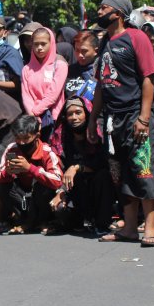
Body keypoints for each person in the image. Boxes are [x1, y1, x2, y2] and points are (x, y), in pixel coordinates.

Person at [87, 0, 154, 247]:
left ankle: (150, 227)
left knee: (143, 170)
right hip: (112, 119)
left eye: (104, 7)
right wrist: (92, 120)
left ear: (118, 13)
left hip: (135, 116)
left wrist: (143, 118)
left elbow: (148, 78)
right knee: (121, 175)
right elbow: (100, 85)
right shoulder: (106, 41)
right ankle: (129, 228)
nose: (99, 11)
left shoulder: (136, 37)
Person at [50, 97, 114, 236]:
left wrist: (77, 167)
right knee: (60, 208)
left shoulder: (98, 135)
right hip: (75, 189)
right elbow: (59, 168)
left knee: (103, 176)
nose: (74, 117)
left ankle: (102, 223)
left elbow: (102, 164)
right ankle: (78, 221)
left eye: (78, 112)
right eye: (70, 114)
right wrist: (61, 192)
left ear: (87, 113)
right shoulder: (62, 139)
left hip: (98, 188)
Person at [0, 114, 63, 234]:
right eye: (17, 138)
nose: (21, 142)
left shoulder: (47, 151)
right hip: (22, 194)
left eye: (26, 138)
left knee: (42, 186)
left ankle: (43, 221)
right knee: (3, 186)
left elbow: (58, 181)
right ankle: (23, 219)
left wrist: (30, 168)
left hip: (40, 196)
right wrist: (8, 172)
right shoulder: (12, 149)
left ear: (37, 136)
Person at [21, 27, 68, 142]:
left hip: (54, 118)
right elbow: (26, 95)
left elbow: (53, 94)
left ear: (51, 43)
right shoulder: (26, 69)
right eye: (36, 44)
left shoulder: (59, 64)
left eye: (43, 44)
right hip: (34, 120)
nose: (39, 48)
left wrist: (36, 111)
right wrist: (33, 116)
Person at [65, 30, 99, 99]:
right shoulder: (69, 71)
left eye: (84, 51)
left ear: (96, 51)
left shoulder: (101, 71)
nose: (80, 55)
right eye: (77, 50)